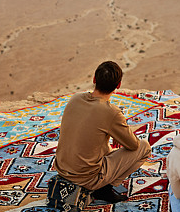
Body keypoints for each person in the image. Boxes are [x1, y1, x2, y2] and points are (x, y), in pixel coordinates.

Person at [54, 60, 151, 204]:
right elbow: (133, 146)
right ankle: (104, 189)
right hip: (85, 178)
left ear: (94, 79)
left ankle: (102, 182)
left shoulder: (75, 99)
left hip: (62, 169)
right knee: (144, 147)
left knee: (103, 145)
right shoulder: (111, 112)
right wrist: (117, 130)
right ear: (118, 86)